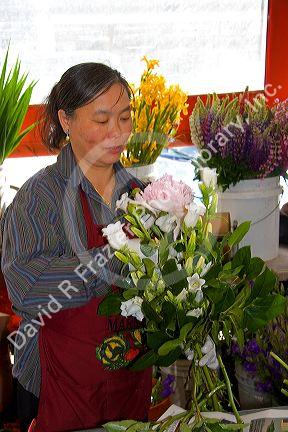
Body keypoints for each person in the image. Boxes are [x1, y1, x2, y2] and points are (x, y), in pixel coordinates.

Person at [1, 62, 217, 432]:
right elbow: (27, 289)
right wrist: (113, 261)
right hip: (65, 388)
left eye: (125, 118)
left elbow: (163, 285)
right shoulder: (41, 197)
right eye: (102, 121)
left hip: (129, 382)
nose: (117, 133)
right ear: (65, 121)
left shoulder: (142, 196)